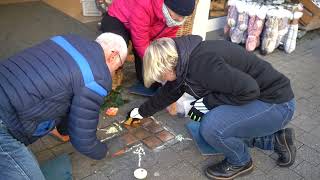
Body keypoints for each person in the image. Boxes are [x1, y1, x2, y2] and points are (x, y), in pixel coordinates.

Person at [129, 35, 296, 179]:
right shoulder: (184, 60)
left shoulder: (203, 64)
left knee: (212, 127)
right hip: (259, 99)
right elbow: (168, 93)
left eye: (161, 74)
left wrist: (207, 103)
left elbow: (249, 90)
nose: (161, 79)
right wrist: (140, 112)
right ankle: (274, 140)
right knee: (217, 120)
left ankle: (240, 162)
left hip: (276, 104)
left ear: (167, 64)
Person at [0, 33, 127, 179]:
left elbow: (66, 97)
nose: (115, 71)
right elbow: (83, 141)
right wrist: (106, 151)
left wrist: (65, 130)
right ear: (113, 56)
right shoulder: (97, 76)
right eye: (119, 66)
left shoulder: (67, 39)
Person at [100, 0, 195, 85]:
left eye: (183, 16)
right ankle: (107, 78)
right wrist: (156, 66)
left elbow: (166, 41)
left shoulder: (175, 18)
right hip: (118, 19)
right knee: (118, 46)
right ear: (167, 6)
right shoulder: (144, 4)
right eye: (178, 15)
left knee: (147, 80)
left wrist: (165, 64)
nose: (180, 20)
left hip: (143, 28)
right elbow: (140, 42)